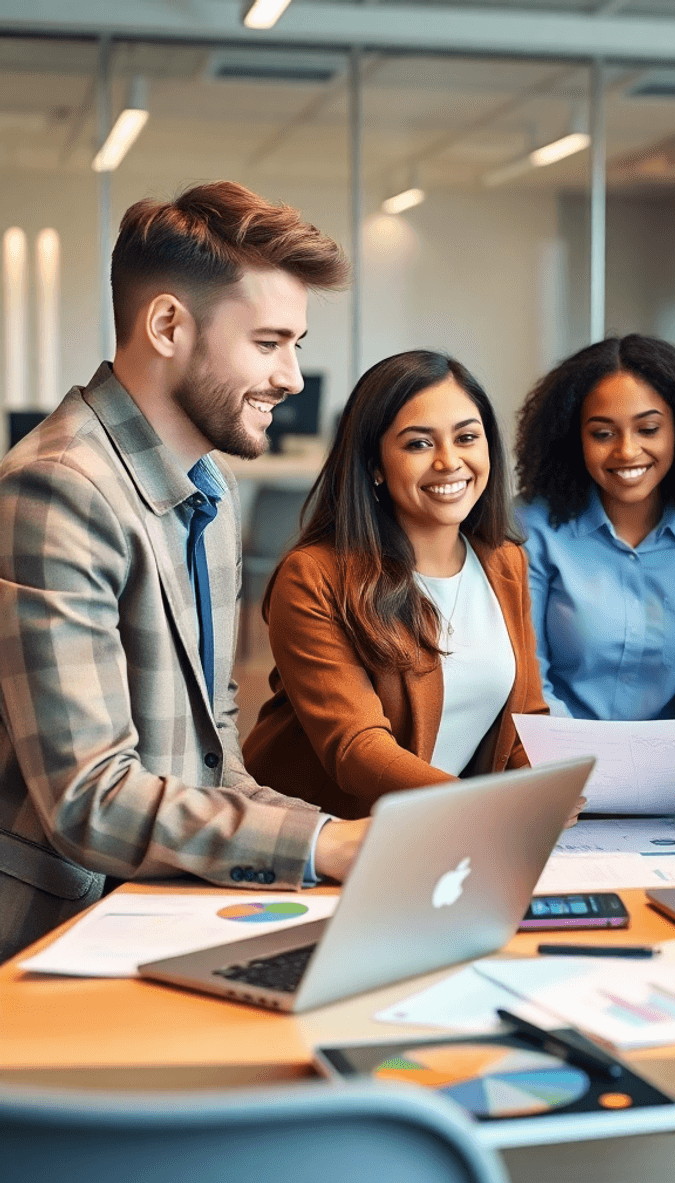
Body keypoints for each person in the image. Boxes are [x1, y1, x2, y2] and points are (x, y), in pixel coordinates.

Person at [0, 181, 365, 963]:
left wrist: (337, 843)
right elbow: (88, 800)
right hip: (51, 937)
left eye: (294, 345)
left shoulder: (210, 487)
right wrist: (324, 845)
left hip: (163, 904)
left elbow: (212, 754)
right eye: (268, 343)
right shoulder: (59, 487)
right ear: (168, 324)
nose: (293, 377)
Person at [243, 351, 551, 820]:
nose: (450, 462)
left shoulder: (505, 563)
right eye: (418, 445)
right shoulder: (314, 576)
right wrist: (489, 805)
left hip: (449, 828)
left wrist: (550, 791)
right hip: (318, 840)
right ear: (375, 465)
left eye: (467, 437)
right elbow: (357, 749)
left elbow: (525, 721)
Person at [513, 335, 675, 722]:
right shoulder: (531, 529)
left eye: (648, 429)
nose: (627, 451)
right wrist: (573, 762)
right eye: (603, 434)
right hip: (562, 756)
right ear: (575, 439)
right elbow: (529, 679)